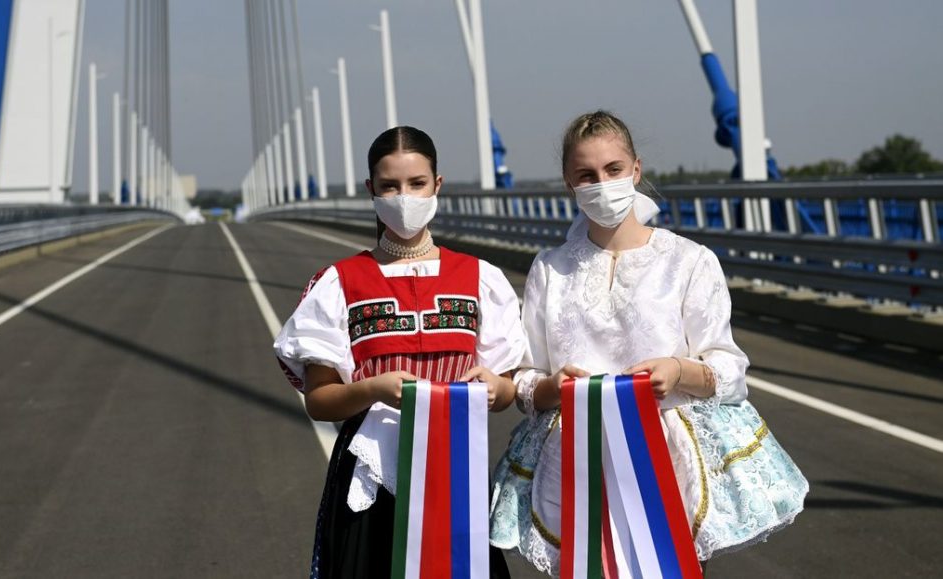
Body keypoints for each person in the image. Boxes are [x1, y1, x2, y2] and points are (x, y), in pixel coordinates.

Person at [489, 110, 808, 576]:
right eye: (586, 175)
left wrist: (678, 371)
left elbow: (728, 368)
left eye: (613, 170)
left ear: (635, 170)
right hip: (577, 458)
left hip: (666, 457)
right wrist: (550, 387)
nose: (602, 183)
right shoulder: (548, 269)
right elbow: (525, 377)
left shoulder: (688, 260)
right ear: (568, 185)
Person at [275, 126, 526, 579]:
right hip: (369, 477)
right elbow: (319, 400)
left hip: (455, 472)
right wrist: (372, 388)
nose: (403, 196)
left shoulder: (480, 278)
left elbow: (506, 390)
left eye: (416, 184)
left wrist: (498, 388)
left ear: (437, 186)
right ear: (371, 190)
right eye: (390, 186)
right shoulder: (338, 283)